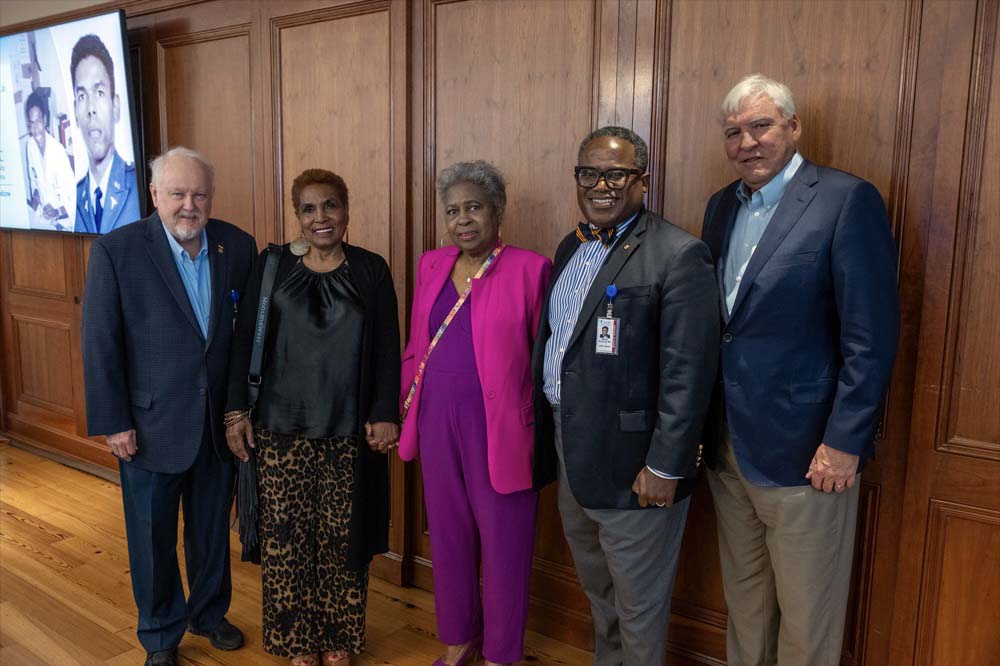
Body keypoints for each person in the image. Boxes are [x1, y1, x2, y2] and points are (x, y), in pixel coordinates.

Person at [700, 74, 900, 666]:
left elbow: (871, 336)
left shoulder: (845, 199)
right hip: (729, 444)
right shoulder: (719, 206)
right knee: (747, 603)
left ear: (793, 127)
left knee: (808, 618)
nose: (747, 143)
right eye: (733, 132)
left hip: (809, 454)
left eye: (761, 126)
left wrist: (844, 442)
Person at [532, 126, 719, 666]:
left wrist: (666, 465)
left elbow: (690, 373)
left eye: (615, 173)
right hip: (573, 451)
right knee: (600, 595)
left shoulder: (679, 254)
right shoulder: (572, 244)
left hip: (636, 466)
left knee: (639, 608)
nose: (600, 185)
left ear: (643, 179)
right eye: (588, 173)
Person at [82, 147, 255, 666]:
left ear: (211, 197)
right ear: (154, 195)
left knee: (208, 531)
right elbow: (100, 341)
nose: (189, 205)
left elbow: (244, 336)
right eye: (177, 193)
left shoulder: (236, 246)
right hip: (149, 423)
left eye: (199, 194)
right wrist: (114, 422)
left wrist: (237, 409)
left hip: (214, 423)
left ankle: (208, 615)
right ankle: (160, 634)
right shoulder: (117, 250)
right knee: (153, 539)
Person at [225, 168, 400, 666]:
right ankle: (296, 639)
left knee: (343, 540)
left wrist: (386, 411)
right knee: (287, 540)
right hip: (279, 429)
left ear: (346, 211)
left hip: (350, 429)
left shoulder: (371, 269)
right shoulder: (272, 265)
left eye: (330, 206)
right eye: (309, 208)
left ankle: (339, 638)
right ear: (296, 215)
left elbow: (389, 345)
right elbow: (243, 341)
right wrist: (236, 410)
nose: (321, 217)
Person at [399, 161, 551, 666]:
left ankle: (501, 654)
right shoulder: (431, 264)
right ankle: (459, 638)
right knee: (447, 536)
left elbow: (542, 359)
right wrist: (406, 409)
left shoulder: (531, 269)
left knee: (505, 545)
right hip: (436, 421)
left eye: (473, 207)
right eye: (452, 210)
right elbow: (415, 346)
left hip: (500, 430)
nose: (462, 220)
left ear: (497, 211)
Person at [70, 33, 140, 233]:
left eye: (99, 93)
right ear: (75, 111)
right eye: (82, 96)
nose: (91, 108)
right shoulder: (72, 198)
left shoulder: (138, 185)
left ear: (115, 106)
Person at [23, 90, 76, 229]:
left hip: (63, 220)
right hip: (44, 217)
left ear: (45, 120)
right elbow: (34, 180)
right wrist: (35, 197)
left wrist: (57, 212)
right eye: (31, 123)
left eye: (39, 121)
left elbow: (73, 199)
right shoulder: (30, 146)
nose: (35, 128)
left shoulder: (58, 151)